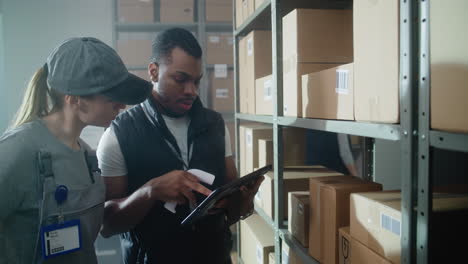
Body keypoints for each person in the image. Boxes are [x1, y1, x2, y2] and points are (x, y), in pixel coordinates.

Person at [97, 27, 262, 263]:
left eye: (196, 81)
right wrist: (150, 191)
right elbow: (107, 224)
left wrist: (243, 201)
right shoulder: (118, 134)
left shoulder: (215, 124)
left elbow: (231, 208)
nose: (191, 91)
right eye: (180, 79)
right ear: (153, 72)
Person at [0, 37, 152, 264]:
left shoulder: (89, 157)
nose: (122, 105)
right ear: (76, 100)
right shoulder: (18, 151)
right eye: (113, 96)